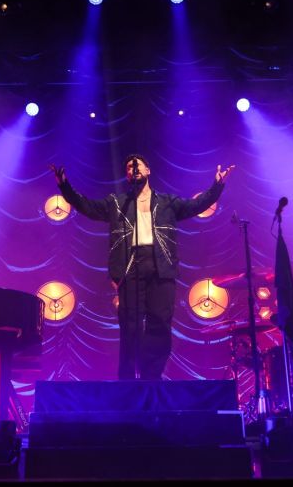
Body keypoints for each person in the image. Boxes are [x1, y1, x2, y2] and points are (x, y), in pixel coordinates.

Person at [51, 154, 235, 379]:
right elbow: (86, 206)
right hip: (130, 266)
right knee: (130, 326)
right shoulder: (117, 203)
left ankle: (152, 376)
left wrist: (217, 185)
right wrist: (64, 185)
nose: (134, 168)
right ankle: (128, 380)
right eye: (129, 167)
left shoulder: (167, 202)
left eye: (137, 165)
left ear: (148, 171)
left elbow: (197, 205)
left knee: (160, 323)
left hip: (161, 266)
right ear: (127, 175)